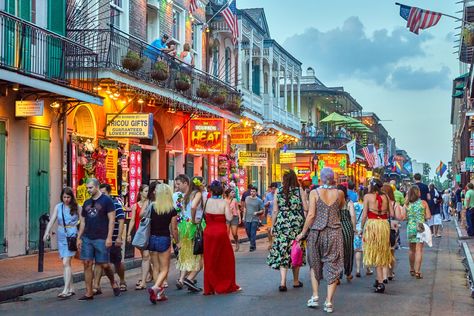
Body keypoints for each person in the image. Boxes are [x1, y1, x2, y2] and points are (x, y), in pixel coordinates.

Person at [296, 168, 345, 312]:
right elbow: (340, 208)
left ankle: (315, 296)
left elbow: (311, 215)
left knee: (314, 263)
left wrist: (302, 233)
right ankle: (329, 302)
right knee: (333, 265)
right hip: (334, 232)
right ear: (333, 178)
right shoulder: (340, 193)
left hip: (317, 232)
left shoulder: (314, 192)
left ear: (321, 179)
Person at [77, 178, 120, 300]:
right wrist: (79, 237)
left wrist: (109, 237)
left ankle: (113, 282)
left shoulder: (107, 201)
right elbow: (83, 222)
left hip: (102, 237)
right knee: (87, 263)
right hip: (87, 237)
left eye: (90, 188)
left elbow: (112, 220)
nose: (88, 190)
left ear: (96, 186)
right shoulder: (86, 203)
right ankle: (89, 292)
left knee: (104, 264)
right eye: (87, 188)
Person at [267, 170, 307, 292]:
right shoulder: (299, 190)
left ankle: (283, 282)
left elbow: (275, 210)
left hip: (282, 222)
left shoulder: (278, 191)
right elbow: (305, 208)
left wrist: (273, 226)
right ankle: (295, 281)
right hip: (296, 224)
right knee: (296, 250)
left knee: (283, 251)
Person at [203, 181, 241, 295]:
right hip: (220, 232)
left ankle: (210, 287)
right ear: (221, 191)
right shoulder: (224, 202)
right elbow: (229, 218)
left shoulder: (206, 201)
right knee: (226, 259)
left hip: (208, 232)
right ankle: (225, 283)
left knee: (210, 260)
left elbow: (203, 214)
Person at [43, 187, 81, 298]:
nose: (66, 199)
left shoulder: (77, 207)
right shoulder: (58, 207)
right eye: (64, 197)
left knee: (66, 262)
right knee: (66, 263)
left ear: (72, 197)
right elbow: (52, 220)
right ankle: (71, 288)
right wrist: (46, 232)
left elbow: (83, 221)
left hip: (72, 235)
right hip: (61, 235)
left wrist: (81, 235)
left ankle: (65, 290)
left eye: (68, 197)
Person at [147, 183, 179, 304]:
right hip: (164, 238)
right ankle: (156, 288)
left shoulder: (152, 207)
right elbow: (174, 229)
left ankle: (159, 293)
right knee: (164, 268)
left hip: (152, 238)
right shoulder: (171, 209)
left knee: (155, 267)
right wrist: (177, 241)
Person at [361, 178, 393, 293]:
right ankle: (378, 279)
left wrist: (361, 228)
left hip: (373, 225)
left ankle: (380, 282)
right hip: (384, 225)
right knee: (381, 252)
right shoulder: (386, 197)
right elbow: (392, 213)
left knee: (374, 252)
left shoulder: (367, 197)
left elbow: (364, 215)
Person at [93, 184, 126, 294]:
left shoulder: (116, 204)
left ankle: (122, 281)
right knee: (98, 262)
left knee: (117, 262)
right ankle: (96, 285)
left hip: (113, 238)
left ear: (109, 193)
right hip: (101, 239)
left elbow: (121, 221)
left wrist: (119, 237)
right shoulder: (98, 205)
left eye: (104, 193)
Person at [176, 176, 205, 292]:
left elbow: (184, 211)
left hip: (184, 225)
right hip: (194, 226)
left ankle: (182, 279)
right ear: (199, 184)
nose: (204, 186)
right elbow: (193, 207)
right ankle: (190, 278)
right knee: (199, 254)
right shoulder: (197, 194)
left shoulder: (187, 195)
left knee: (186, 253)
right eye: (203, 183)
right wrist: (194, 220)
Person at [127, 184, 152, 290]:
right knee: (144, 256)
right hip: (140, 232)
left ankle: (144, 279)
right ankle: (150, 274)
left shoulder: (151, 204)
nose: (147, 193)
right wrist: (128, 233)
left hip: (149, 231)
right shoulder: (135, 206)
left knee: (146, 256)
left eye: (148, 191)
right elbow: (132, 220)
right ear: (141, 192)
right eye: (145, 191)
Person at [405, 185, 431, 279]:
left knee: (411, 250)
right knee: (419, 250)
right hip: (420, 225)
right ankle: (417, 271)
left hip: (411, 225)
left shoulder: (407, 204)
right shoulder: (423, 203)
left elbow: (404, 217)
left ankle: (411, 269)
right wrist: (421, 216)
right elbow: (428, 216)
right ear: (418, 192)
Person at [381, 184, 404, 283]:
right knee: (391, 252)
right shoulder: (395, 204)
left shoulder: (381, 203)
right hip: (393, 229)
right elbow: (399, 217)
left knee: (382, 251)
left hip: (382, 227)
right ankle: (390, 273)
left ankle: (383, 273)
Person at [337, 184, 356, 282]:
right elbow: (352, 216)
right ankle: (348, 273)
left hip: (336, 228)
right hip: (347, 227)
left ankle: (337, 275)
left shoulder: (334, 203)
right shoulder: (349, 202)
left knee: (337, 252)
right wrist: (354, 228)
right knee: (348, 251)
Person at [353, 189, 372, 278]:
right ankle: (367, 268)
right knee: (366, 249)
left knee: (358, 250)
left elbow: (352, 217)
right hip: (366, 228)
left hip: (356, 229)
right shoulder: (368, 206)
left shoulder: (354, 205)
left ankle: (357, 269)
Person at [243, 187, 264, 252]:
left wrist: (257, 212)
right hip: (247, 218)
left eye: (254, 191)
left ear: (256, 192)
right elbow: (245, 208)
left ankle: (252, 246)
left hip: (255, 219)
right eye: (251, 191)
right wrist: (243, 217)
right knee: (248, 232)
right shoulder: (247, 198)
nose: (252, 192)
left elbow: (262, 210)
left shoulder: (259, 200)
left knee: (252, 233)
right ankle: (253, 243)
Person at [264, 183, 278, 249]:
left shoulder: (279, 195)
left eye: (274, 189)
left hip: (277, 215)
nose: (273, 190)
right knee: (269, 230)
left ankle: (276, 243)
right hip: (270, 215)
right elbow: (265, 205)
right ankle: (270, 243)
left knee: (276, 230)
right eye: (272, 189)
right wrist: (268, 203)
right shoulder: (268, 195)